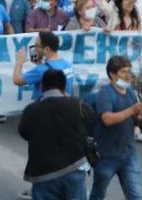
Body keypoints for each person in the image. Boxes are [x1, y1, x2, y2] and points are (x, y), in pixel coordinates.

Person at [17, 69, 95, 200]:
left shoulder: (31, 110)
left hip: (43, 174)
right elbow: (92, 124)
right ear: (64, 87)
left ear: (41, 86)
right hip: (74, 170)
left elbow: (24, 133)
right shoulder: (79, 106)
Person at [89, 56, 142, 200]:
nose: (128, 76)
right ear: (112, 74)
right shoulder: (105, 93)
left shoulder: (131, 93)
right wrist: (133, 111)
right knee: (98, 194)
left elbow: (137, 122)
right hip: (106, 157)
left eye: (129, 72)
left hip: (128, 154)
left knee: (135, 195)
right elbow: (107, 119)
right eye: (123, 72)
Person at [14, 31, 75, 97]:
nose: (35, 49)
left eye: (37, 46)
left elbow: (17, 80)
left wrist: (19, 62)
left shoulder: (41, 70)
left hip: (48, 105)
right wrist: (40, 65)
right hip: (66, 104)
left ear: (46, 49)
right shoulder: (67, 64)